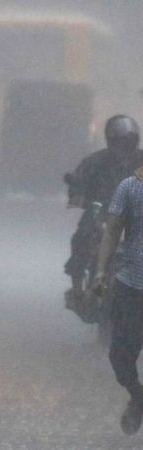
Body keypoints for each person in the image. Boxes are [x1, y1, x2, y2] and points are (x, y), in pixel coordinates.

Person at [65, 115, 143, 306]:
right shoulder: (95, 161)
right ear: (110, 140)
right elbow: (78, 182)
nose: (123, 146)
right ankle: (78, 291)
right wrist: (78, 195)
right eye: (119, 141)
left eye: (128, 142)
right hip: (101, 213)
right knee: (82, 237)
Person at [94, 165, 143, 435]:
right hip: (132, 285)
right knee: (120, 357)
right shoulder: (130, 187)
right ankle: (138, 395)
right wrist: (101, 271)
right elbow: (112, 230)